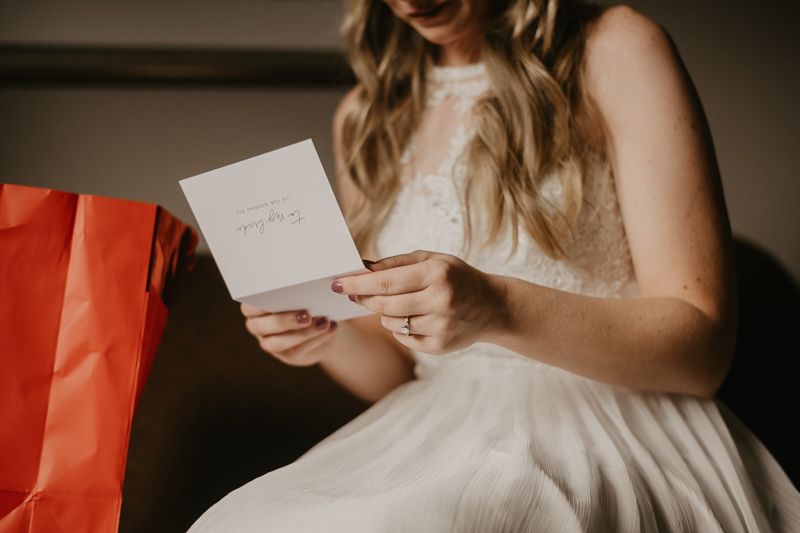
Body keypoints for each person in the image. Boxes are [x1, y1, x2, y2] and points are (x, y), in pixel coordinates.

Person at [190, 0, 800, 531]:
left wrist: (500, 308)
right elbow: (401, 370)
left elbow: (703, 353)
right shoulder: (366, 116)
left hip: (614, 424)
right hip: (432, 432)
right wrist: (323, 339)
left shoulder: (616, 49)